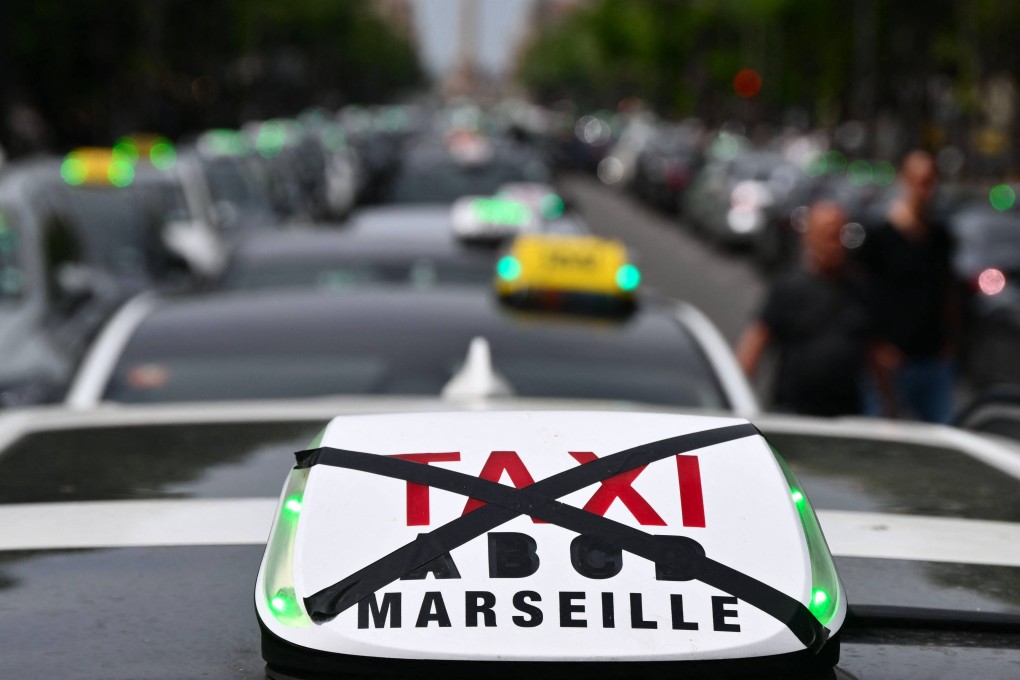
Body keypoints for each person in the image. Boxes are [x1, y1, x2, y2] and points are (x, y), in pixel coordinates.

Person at [737, 201, 872, 416]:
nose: (835, 244)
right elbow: (755, 343)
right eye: (828, 235)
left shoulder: (860, 290)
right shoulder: (788, 288)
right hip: (793, 412)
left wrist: (890, 407)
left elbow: (875, 353)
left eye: (840, 235)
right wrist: (739, 404)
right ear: (809, 237)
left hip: (846, 415)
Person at [856, 150, 959, 423]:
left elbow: (946, 292)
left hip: (934, 359)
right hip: (892, 362)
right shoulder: (881, 235)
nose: (926, 189)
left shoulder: (941, 236)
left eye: (931, 181)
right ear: (904, 181)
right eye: (920, 180)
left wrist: (949, 343)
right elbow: (864, 297)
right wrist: (876, 348)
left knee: (941, 443)